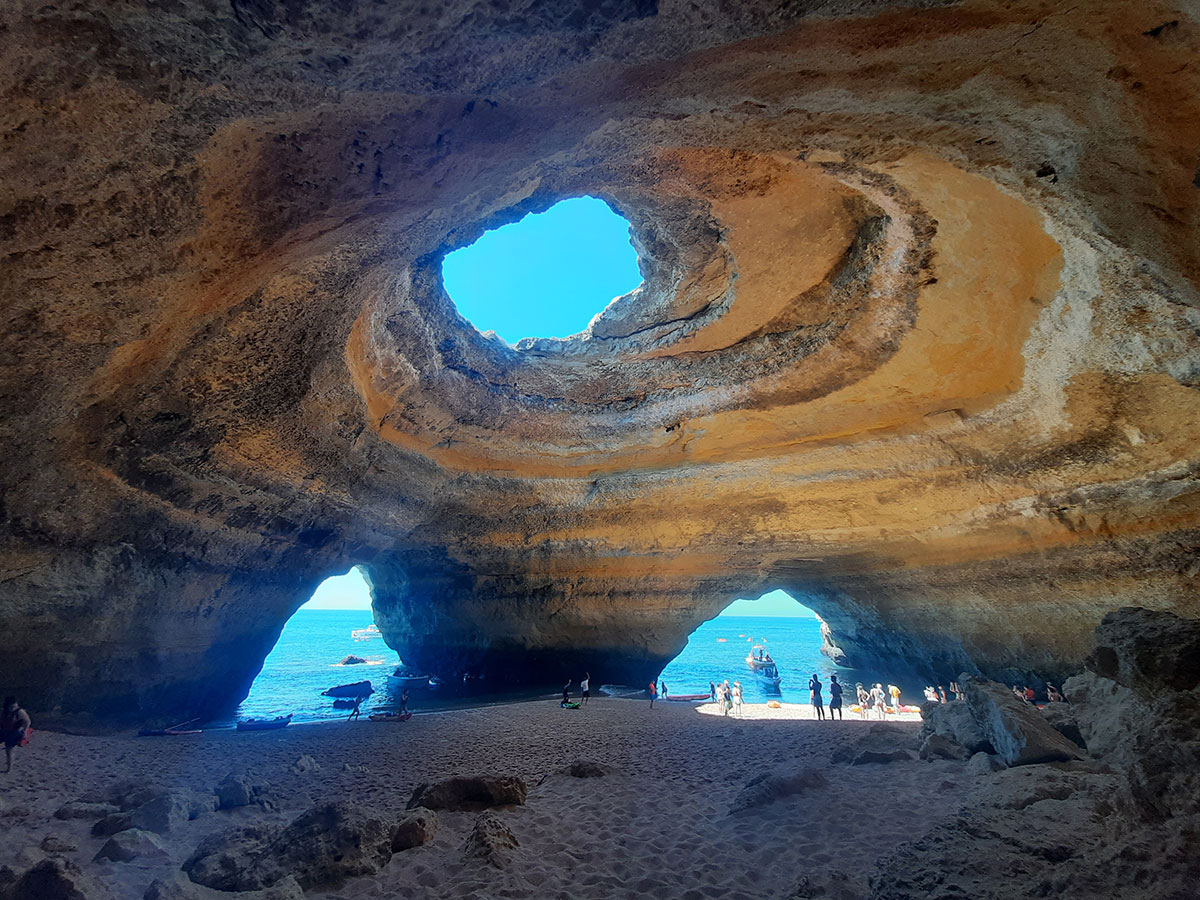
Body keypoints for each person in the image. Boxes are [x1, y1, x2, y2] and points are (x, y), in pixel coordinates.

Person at [1, 698, 30, 773]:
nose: (13, 708)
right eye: (11, 707)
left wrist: (25, 732)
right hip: (3, 730)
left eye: (15, 706)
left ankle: (9, 768)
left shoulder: (20, 712)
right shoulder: (3, 711)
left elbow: (27, 721)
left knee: (9, 750)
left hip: (14, 732)